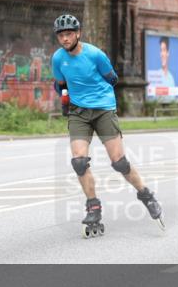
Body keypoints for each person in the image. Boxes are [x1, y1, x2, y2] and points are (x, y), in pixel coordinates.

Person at [51, 14, 164, 235]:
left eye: (68, 34)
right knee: (79, 162)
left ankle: (146, 195)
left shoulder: (95, 54)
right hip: (78, 112)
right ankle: (93, 206)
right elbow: (61, 84)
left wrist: (100, 94)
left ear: (78, 33)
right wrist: (66, 104)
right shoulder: (57, 58)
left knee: (119, 163)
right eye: (61, 35)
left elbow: (112, 78)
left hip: (103, 109)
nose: (65, 39)